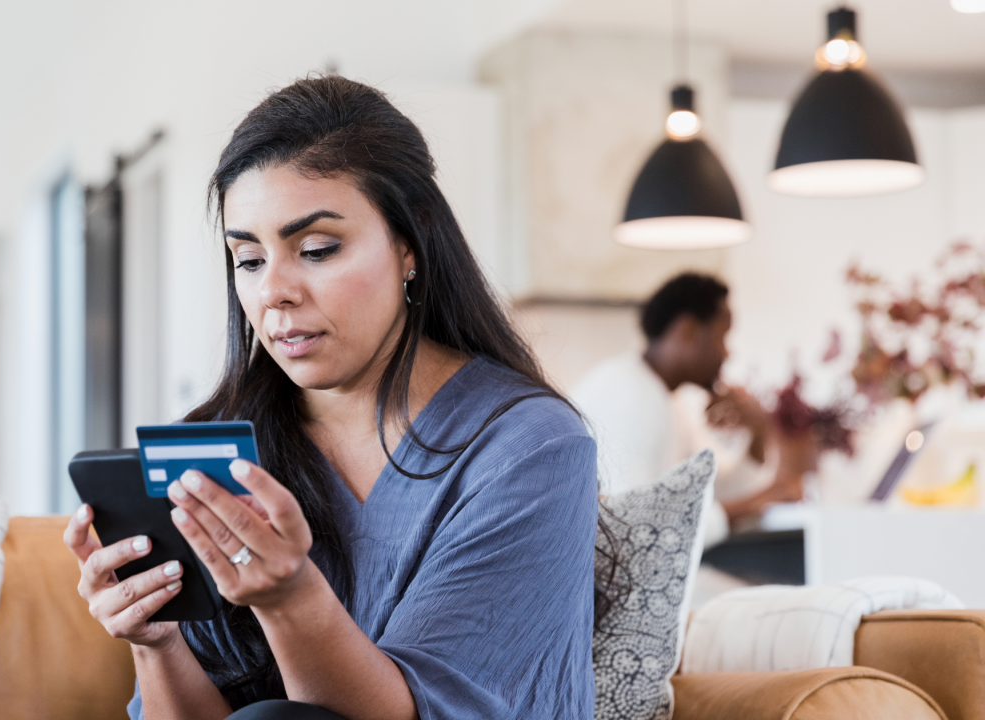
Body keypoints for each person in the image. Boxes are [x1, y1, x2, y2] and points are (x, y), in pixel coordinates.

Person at [64, 76, 605, 720]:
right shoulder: (219, 441)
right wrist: (156, 642)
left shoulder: (529, 449)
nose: (274, 293)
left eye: (316, 250)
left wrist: (292, 599)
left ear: (411, 243)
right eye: (249, 260)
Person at [572, 273, 812, 548]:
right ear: (688, 330)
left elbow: (716, 489)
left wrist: (757, 432)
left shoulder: (669, 399)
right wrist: (752, 503)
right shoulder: (629, 396)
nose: (727, 353)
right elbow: (634, 525)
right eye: (722, 337)